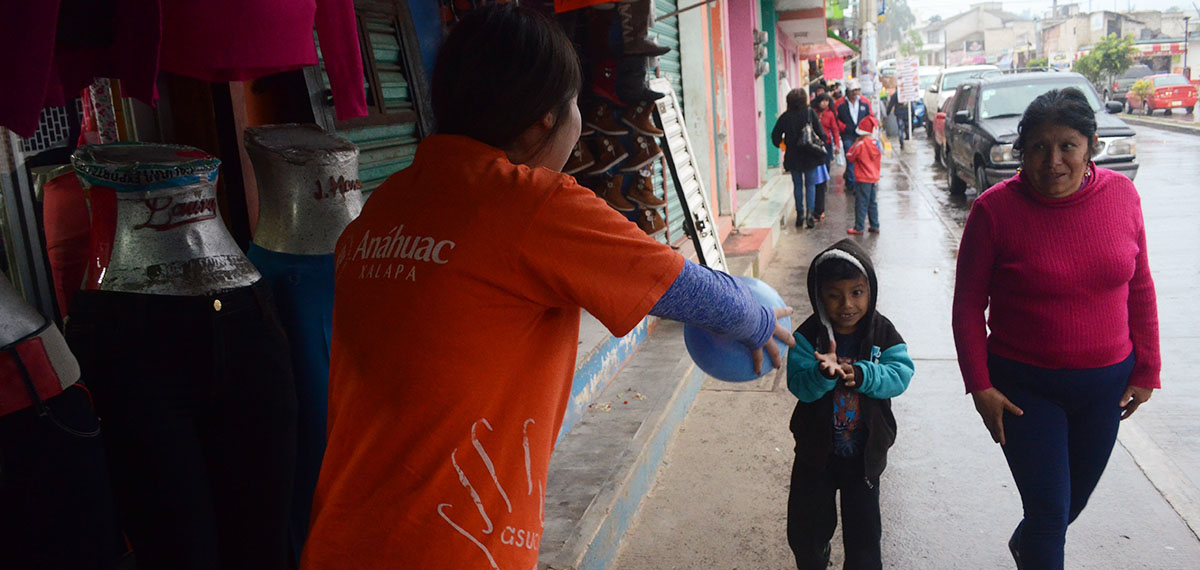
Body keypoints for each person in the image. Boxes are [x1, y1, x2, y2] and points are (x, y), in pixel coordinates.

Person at [299, 6, 796, 569]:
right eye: (576, 105)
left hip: (339, 535)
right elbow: (688, 290)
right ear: (543, 120)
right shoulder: (531, 203)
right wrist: (759, 323)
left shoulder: (383, 205)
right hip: (449, 545)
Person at [951, 88, 1160, 570]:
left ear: (1090, 146)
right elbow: (966, 306)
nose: (1053, 160)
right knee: (1047, 512)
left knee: (1069, 506)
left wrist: (1147, 367)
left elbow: (1140, 285)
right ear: (1022, 152)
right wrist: (979, 386)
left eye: (1067, 145)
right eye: (1039, 147)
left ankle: (1027, 546)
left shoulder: (1122, 195)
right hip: (1025, 389)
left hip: (1105, 388)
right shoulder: (993, 211)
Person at [786, 239, 914, 570]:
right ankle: (816, 556)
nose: (847, 304)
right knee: (807, 531)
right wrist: (822, 373)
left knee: (864, 538)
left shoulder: (882, 332)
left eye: (856, 292)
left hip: (865, 457)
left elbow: (900, 374)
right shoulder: (807, 337)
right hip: (816, 455)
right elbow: (799, 384)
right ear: (819, 296)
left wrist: (865, 374)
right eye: (834, 295)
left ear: (869, 291)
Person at [771, 88, 829, 229]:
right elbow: (822, 134)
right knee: (810, 185)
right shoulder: (810, 113)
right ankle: (810, 214)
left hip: (793, 157)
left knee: (797, 186)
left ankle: (800, 215)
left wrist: (784, 143)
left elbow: (775, 137)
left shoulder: (785, 117)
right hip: (810, 156)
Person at [845, 115, 882, 235]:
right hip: (873, 177)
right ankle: (875, 225)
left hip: (862, 178)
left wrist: (854, 144)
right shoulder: (877, 144)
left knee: (861, 203)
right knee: (872, 202)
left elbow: (850, 156)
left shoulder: (860, 144)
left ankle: (859, 227)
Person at [836, 79, 872, 186]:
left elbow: (870, 117)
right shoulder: (840, 104)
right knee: (850, 158)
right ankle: (852, 184)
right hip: (847, 135)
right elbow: (835, 119)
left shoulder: (865, 102)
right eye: (853, 91)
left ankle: (857, 180)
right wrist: (845, 128)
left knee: (861, 159)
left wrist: (866, 129)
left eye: (857, 90)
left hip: (862, 135)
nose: (855, 93)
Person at [813, 93, 841, 221]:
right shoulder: (813, 113)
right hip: (813, 146)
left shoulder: (830, 115)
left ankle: (822, 190)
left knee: (825, 170)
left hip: (827, 146)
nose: (824, 103)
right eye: (822, 101)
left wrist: (837, 145)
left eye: (826, 101)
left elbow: (835, 130)